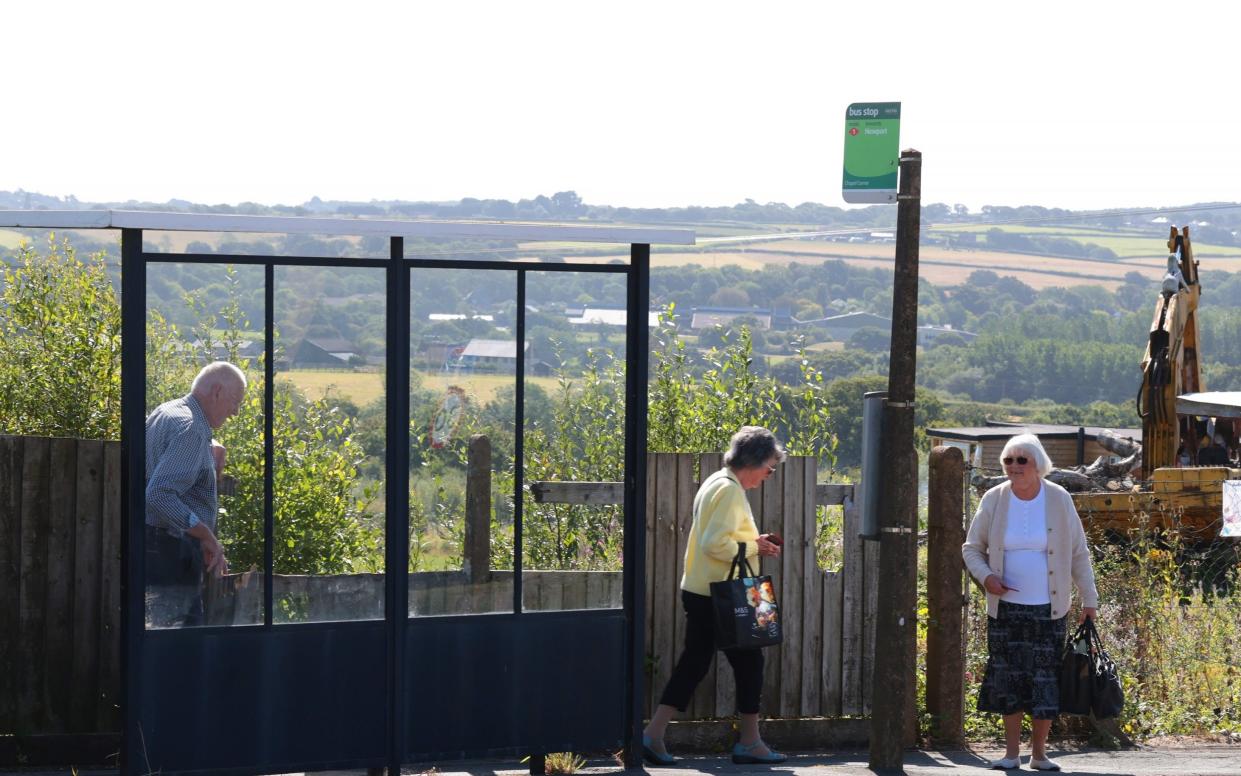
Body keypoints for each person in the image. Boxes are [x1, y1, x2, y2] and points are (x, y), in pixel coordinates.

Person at [642, 426, 787, 766]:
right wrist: (755, 545)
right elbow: (714, 544)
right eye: (770, 466)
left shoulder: (717, 481)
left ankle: (653, 735)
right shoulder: (730, 491)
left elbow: (717, 536)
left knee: (695, 662)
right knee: (750, 663)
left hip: (702, 589)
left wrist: (753, 541)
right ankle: (750, 743)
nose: (769, 474)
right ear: (753, 461)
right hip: (726, 593)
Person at [963, 433, 1099, 772]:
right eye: (1008, 460)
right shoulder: (994, 499)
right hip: (1005, 610)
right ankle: (1011, 755)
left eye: (1021, 460)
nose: (1013, 466)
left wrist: (1089, 598)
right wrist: (987, 578)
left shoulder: (1058, 498)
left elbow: (1079, 553)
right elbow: (971, 548)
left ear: (1038, 464)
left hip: (1050, 610)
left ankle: (1039, 755)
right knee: (1009, 679)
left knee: (1044, 680)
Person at [145, 361, 247, 627]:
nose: (235, 412)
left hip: (150, 546)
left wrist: (210, 447)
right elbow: (158, 495)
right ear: (216, 392)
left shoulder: (165, 412)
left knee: (158, 638)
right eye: (235, 401)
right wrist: (205, 535)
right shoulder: (192, 430)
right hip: (171, 553)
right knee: (180, 644)